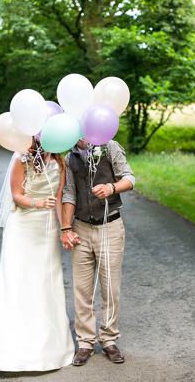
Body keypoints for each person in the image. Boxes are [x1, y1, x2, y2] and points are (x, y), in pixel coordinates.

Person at [0, 138, 77, 372]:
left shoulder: (60, 160)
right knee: (17, 280)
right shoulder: (21, 157)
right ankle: (9, 349)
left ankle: (49, 347)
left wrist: (65, 227)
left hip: (46, 228)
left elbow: (62, 194)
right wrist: (38, 202)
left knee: (45, 280)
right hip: (22, 226)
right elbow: (16, 195)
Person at [60, 138, 134, 366]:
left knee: (110, 287)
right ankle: (85, 343)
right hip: (81, 227)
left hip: (110, 226)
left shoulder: (110, 146)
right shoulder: (69, 157)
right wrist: (66, 227)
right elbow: (69, 194)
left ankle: (109, 340)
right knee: (82, 289)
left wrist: (111, 187)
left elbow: (129, 179)